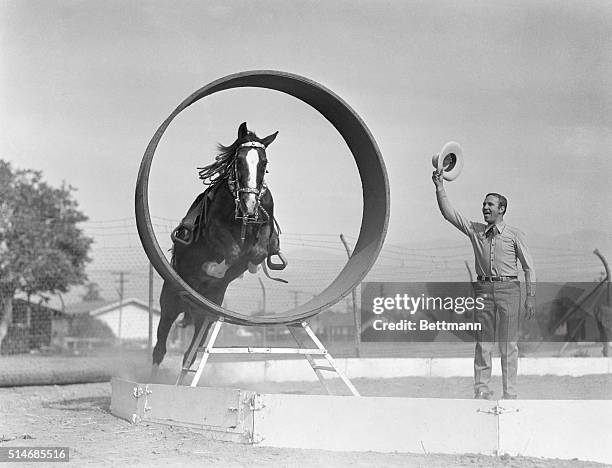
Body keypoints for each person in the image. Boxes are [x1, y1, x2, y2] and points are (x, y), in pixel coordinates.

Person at [432, 170, 536, 400]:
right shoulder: (475, 230)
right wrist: (440, 187)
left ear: (502, 209)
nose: (485, 208)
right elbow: (450, 215)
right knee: (483, 344)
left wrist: (530, 296)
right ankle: (482, 390)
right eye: (484, 204)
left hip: (509, 290)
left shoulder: (515, 235)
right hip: (483, 291)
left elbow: (529, 268)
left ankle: (510, 394)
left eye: (490, 205)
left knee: (508, 345)